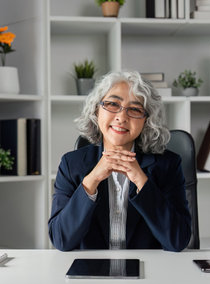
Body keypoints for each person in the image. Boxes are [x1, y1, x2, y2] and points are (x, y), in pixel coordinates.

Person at [48, 70, 191, 252]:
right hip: (91, 273)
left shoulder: (168, 165)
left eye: (135, 109)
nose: (122, 117)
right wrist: (91, 182)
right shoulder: (71, 164)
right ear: (96, 110)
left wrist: (142, 181)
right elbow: (61, 240)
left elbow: (178, 240)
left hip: (149, 272)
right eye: (113, 104)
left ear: (147, 120)